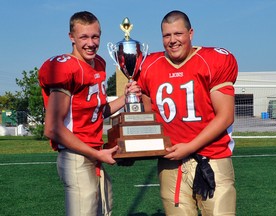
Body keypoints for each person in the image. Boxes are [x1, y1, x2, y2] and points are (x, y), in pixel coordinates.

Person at [38, 11, 141, 216]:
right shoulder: (65, 67)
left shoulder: (99, 64)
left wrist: (126, 97)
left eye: (95, 36)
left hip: (94, 154)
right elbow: (52, 128)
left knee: (104, 210)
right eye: (84, 37)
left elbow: (98, 112)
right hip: (76, 154)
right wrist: (96, 153)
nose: (91, 43)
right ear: (72, 38)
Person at [136, 10, 238, 215]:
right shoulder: (148, 66)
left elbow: (225, 115)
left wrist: (189, 147)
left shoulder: (213, 60)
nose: (172, 40)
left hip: (212, 157)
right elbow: (149, 117)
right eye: (167, 35)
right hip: (171, 160)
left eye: (178, 34)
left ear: (190, 33)